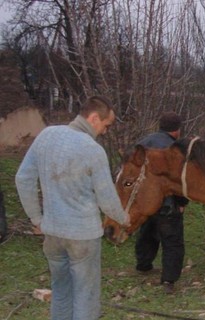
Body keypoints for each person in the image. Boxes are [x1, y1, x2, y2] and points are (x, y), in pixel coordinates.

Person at [15, 96, 130, 320]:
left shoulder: (46, 135)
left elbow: (23, 178)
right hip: (83, 237)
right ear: (94, 117)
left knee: (60, 291)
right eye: (106, 125)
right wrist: (123, 218)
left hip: (53, 233)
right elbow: (107, 199)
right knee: (85, 296)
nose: (105, 131)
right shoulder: (93, 150)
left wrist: (37, 219)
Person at [134, 112, 189, 294]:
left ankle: (143, 264)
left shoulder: (143, 143)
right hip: (168, 202)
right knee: (172, 240)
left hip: (146, 201)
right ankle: (168, 280)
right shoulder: (175, 148)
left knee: (147, 233)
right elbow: (180, 179)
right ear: (177, 130)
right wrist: (182, 202)